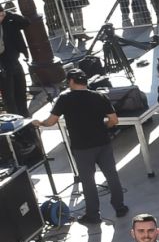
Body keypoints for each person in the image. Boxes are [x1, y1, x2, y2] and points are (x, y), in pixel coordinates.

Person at [35, 67, 128, 223]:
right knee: (112, 176)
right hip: (103, 143)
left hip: (82, 148)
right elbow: (114, 120)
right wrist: (104, 127)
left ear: (71, 81)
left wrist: (39, 123)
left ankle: (93, 214)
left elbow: (51, 122)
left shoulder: (65, 99)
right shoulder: (99, 96)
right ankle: (119, 207)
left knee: (88, 181)